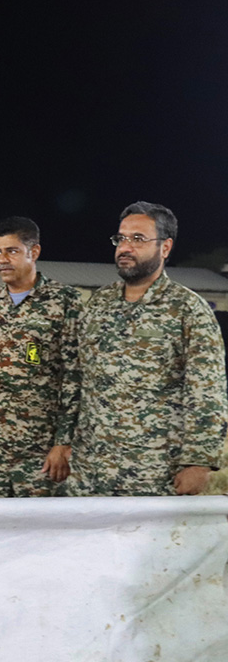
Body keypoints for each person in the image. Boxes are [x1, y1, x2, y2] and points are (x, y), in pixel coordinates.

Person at [67, 201, 227, 496]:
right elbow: (78, 377)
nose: (125, 247)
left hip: (153, 474)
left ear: (165, 247)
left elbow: (207, 393)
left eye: (138, 239)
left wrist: (199, 462)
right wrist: (63, 441)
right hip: (90, 471)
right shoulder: (100, 304)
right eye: (121, 238)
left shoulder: (187, 309)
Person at [0, 217, 81, 496]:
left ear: (34, 252)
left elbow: (75, 377)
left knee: (39, 524)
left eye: (12, 251)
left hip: (39, 452)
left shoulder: (64, 302)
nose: (2, 260)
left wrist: (63, 443)